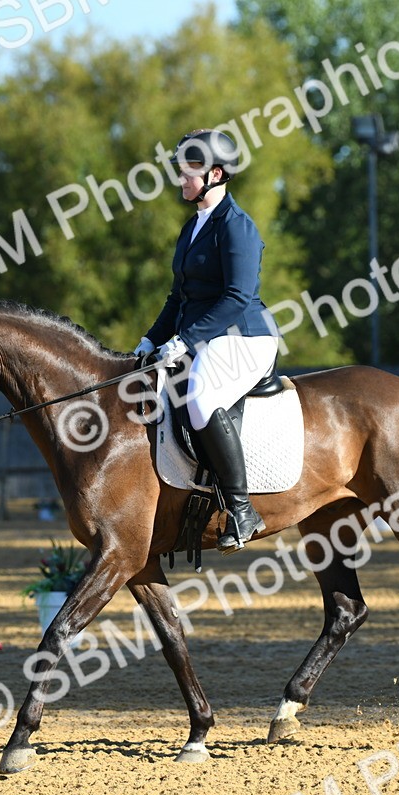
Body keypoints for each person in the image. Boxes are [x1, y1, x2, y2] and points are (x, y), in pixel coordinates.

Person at [133, 128, 280, 555]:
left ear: (216, 173)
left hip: (246, 336)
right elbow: (178, 297)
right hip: (203, 337)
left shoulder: (237, 227)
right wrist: (151, 339)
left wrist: (185, 341)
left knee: (199, 396)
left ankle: (241, 509)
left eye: (188, 172)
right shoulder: (192, 227)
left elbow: (237, 297)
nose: (181, 179)